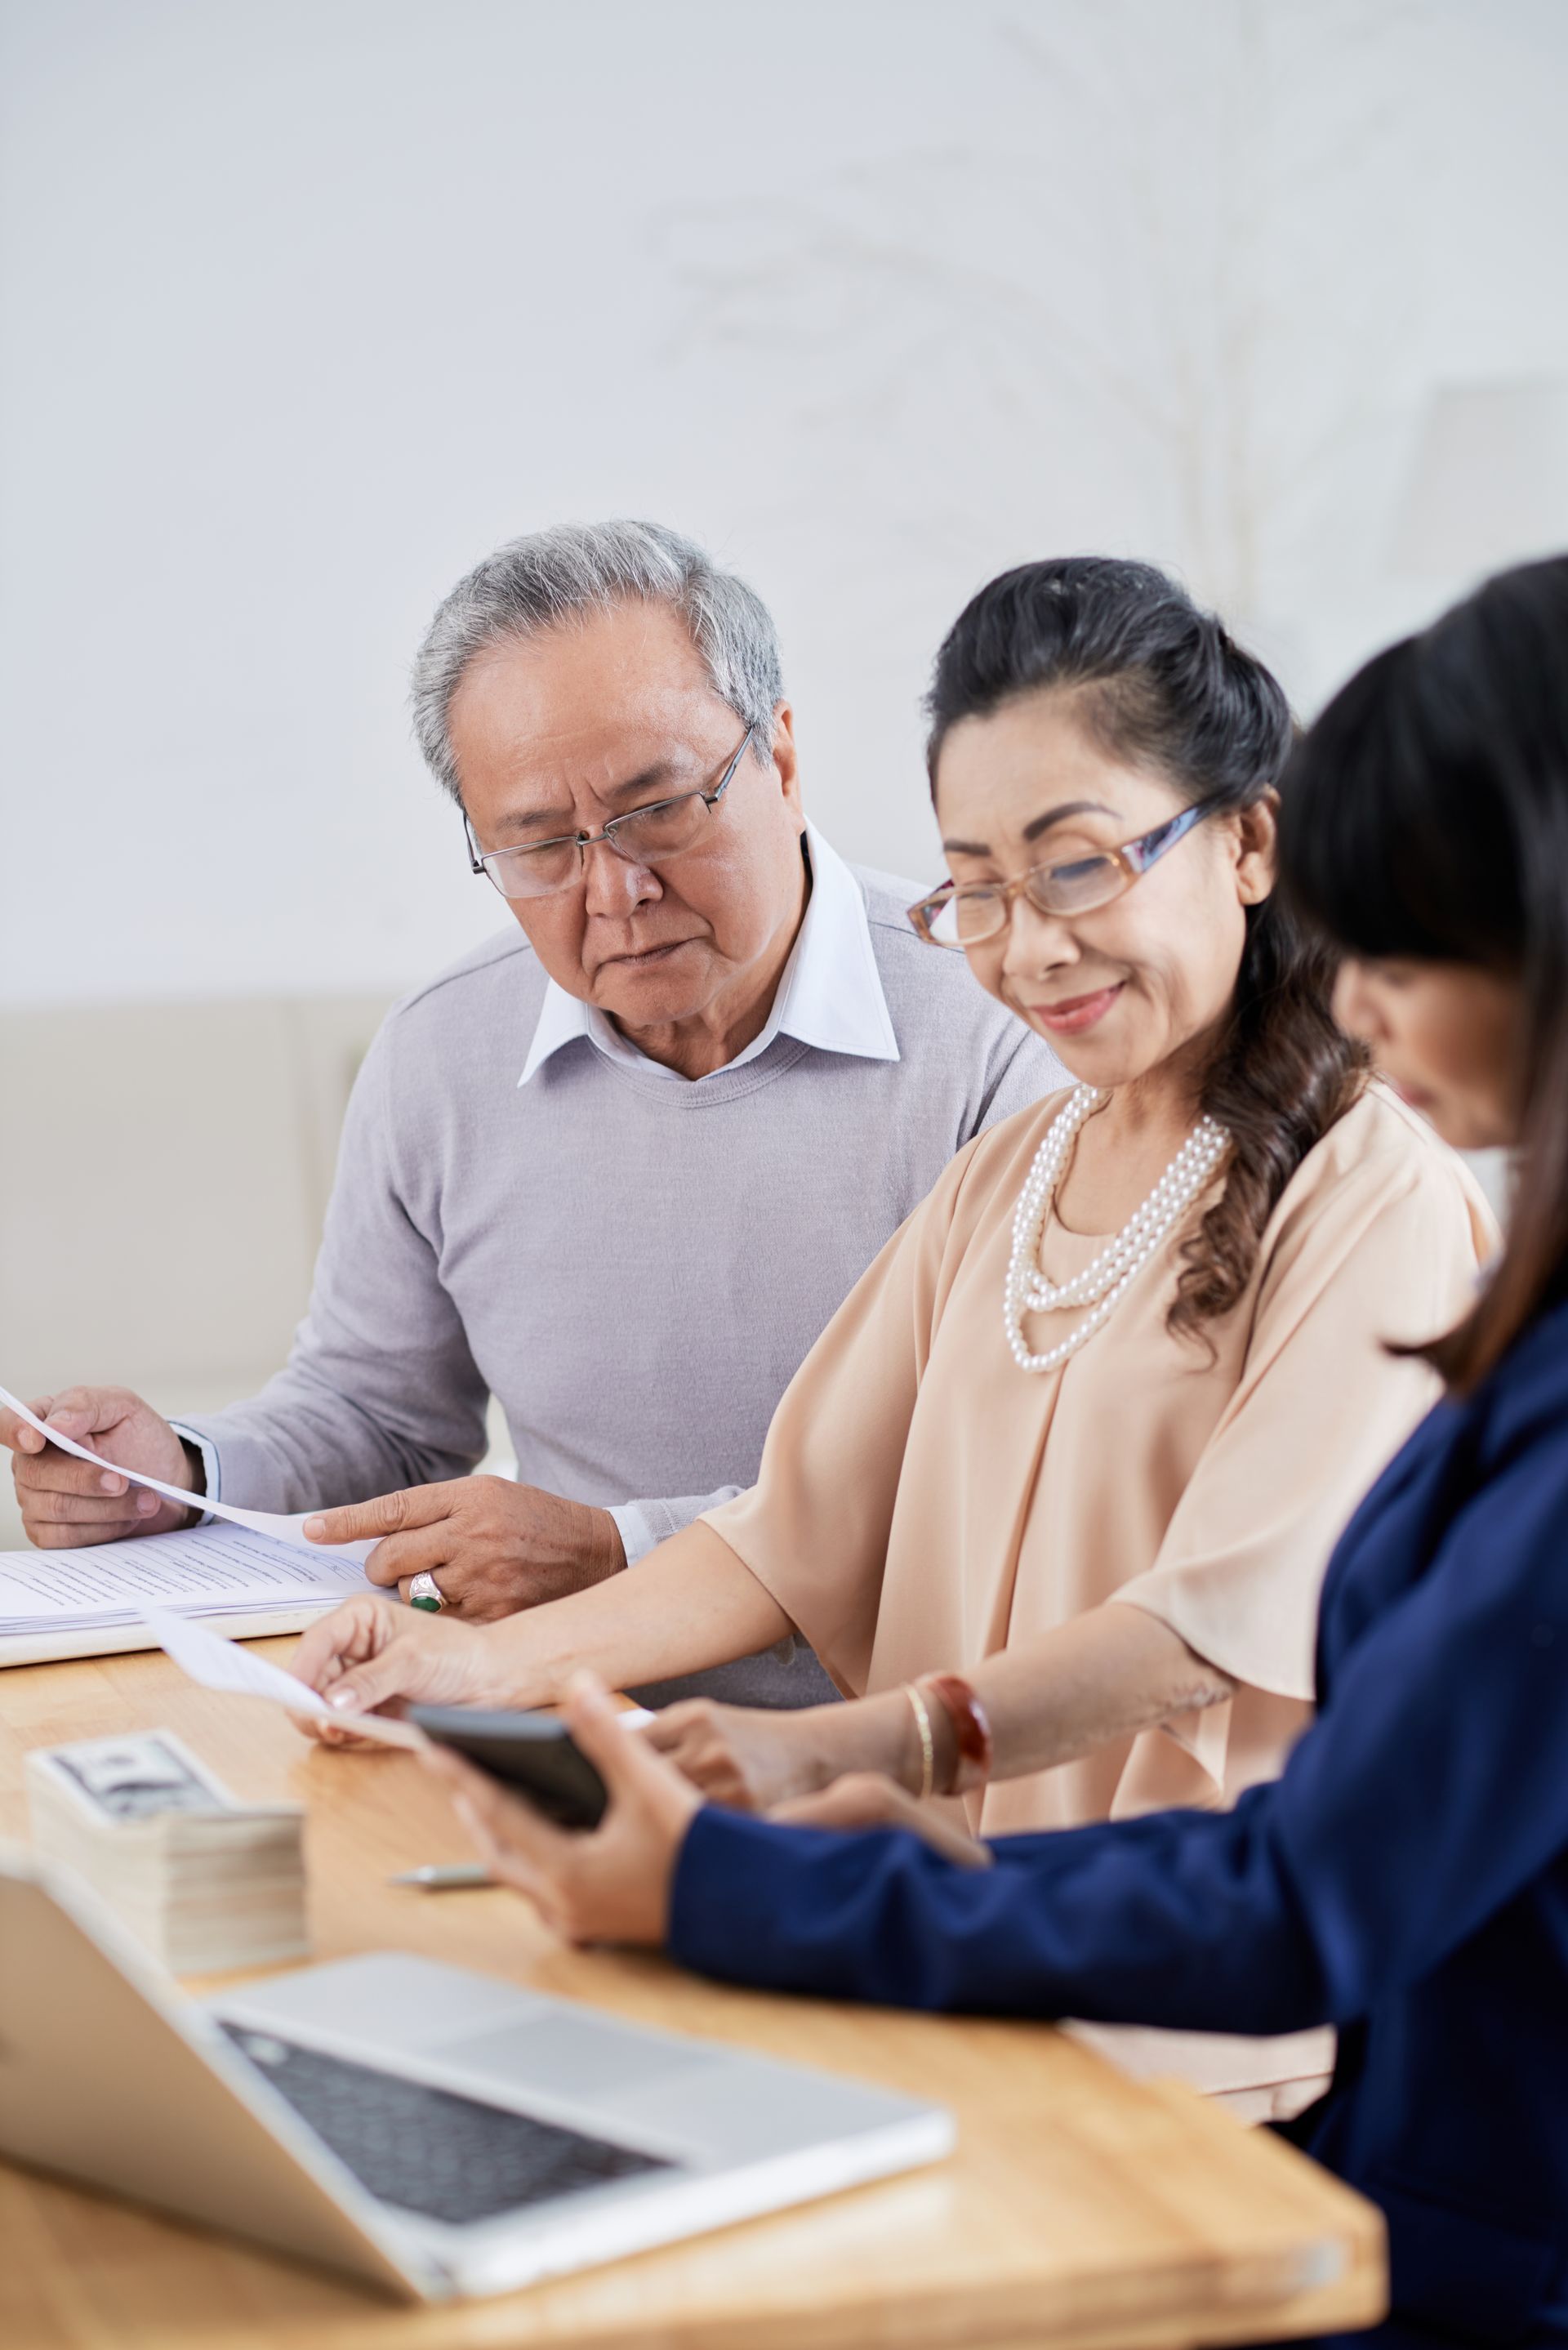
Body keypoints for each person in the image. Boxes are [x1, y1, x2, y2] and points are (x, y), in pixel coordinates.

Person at [416, 555, 1568, 2348]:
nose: (1029, 941)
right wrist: (466, 1668)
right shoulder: (1014, 1173)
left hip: (1201, 2030)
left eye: (1081, 864)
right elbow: (786, 1529)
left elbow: (1272, 1771)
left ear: (1249, 846)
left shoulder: (1377, 1189)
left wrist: (831, 1791)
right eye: (976, 891)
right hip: (1001, 1950)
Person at [0, 520, 1060, 1708]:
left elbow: (996, 1462)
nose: (616, 892)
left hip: (923, 1742)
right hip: (554, 1735)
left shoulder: (1000, 1023)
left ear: (785, 756)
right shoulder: (442, 1054)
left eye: (660, 810)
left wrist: (612, 1547)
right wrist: (181, 1470)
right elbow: (377, 1412)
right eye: (539, 845)